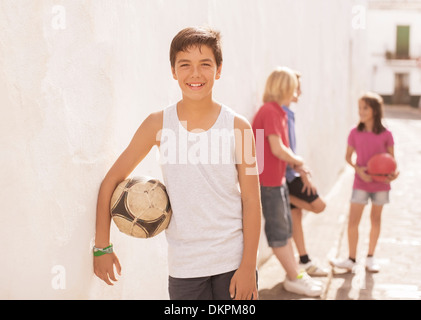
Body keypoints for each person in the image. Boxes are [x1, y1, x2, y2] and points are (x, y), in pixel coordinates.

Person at [93, 26, 261, 300]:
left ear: (218, 69)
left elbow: (253, 201)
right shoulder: (157, 124)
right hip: (185, 266)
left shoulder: (240, 127)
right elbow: (111, 181)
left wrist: (248, 266)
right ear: (173, 71)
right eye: (185, 65)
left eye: (205, 64)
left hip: (233, 262)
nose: (195, 73)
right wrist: (102, 246)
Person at [252, 66, 323, 297]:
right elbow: (277, 148)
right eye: (293, 86)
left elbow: (278, 151)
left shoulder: (277, 112)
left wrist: (296, 165)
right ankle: (294, 277)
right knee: (279, 231)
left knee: (285, 228)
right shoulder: (271, 111)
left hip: (277, 180)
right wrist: (298, 159)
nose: (296, 91)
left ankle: (295, 274)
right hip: (268, 182)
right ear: (285, 86)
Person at [330, 92, 399, 273]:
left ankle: (370, 257)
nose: (361, 111)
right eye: (359, 108)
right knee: (353, 221)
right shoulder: (354, 132)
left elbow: (392, 162)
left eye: (365, 108)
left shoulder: (386, 134)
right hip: (361, 182)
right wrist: (358, 169)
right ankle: (351, 259)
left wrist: (394, 174)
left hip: (381, 185)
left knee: (375, 219)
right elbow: (348, 157)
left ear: (375, 110)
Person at [283, 71, 328, 277]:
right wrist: (302, 172)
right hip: (287, 176)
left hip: (292, 172)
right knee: (319, 206)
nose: (299, 91)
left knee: (296, 216)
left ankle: (304, 260)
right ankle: (280, 198)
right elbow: (282, 150)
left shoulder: (288, 114)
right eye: (296, 86)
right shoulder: (280, 114)